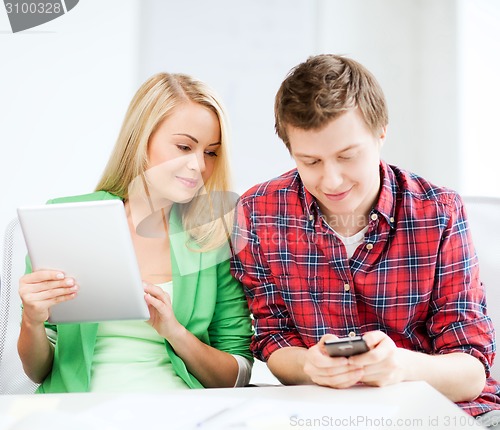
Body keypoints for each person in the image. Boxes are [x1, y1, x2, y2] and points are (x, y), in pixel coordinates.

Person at [230, 54, 500, 422]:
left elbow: (472, 371)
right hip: (322, 414)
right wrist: (309, 366)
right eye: (310, 161)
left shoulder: (438, 212)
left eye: (347, 156)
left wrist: (401, 367)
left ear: (381, 133)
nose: (332, 181)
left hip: (442, 409)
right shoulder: (259, 212)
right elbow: (273, 337)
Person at [18, 72, 253, 393]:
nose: (199, 165)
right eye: (184, 146)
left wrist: (175, 332)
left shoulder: (213, 237)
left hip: (179, 411)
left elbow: (236, 376)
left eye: (210, 152)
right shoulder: (71, 221)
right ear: (142, 139)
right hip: (76, 413)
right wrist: (32, 319)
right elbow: (37, 371)